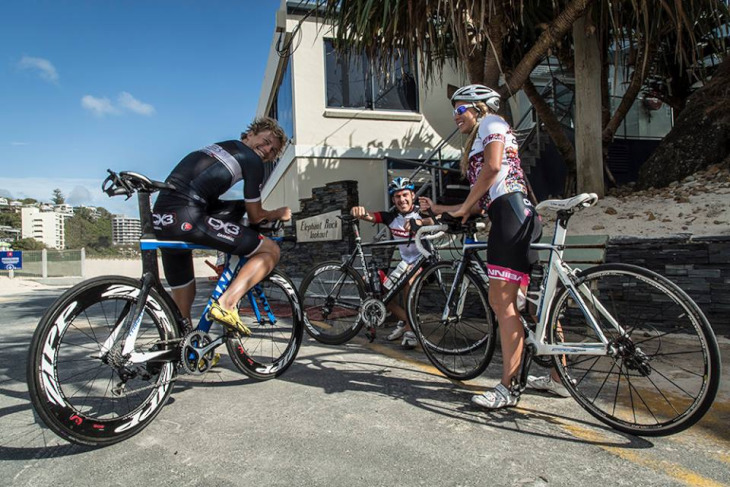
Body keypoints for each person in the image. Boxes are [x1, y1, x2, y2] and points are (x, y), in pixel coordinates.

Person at [419, 84, 542, 409]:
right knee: (526, 303)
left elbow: (493, 168)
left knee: (503, 304)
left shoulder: (491, 122)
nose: (455, 117)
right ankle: (556, 378)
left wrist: (463, 207)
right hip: (515, 213)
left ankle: (508, 387)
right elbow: (477, 198)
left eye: (460, 110)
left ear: (478, 107)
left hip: (510, 215)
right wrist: (442, 210)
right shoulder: (483, 134)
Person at [152, 117, 291, 335]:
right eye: (265, 141)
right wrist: (276, 213)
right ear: (248, 136)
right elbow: (255, 216)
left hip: (162, 219)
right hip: (187, 216)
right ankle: (227, 304)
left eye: (272, 150)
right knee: (270, 250)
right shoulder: (251, 159)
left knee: (183, 294)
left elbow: (234, 208)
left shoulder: (218, 150)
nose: (266, 150)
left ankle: (182, 346)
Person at [350, 177, 427, 349]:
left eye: (405, 195)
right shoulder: (391, 217)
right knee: (373, 287)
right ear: (393, 200)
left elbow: (439, 221)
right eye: (397, 196)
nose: (402, 200)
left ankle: (409, 330)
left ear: (413, 195)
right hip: (404, 265)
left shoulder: (422, 214)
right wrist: (358, 211)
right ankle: (407, 321)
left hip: (425, 266)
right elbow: (369, 216)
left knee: (409, 279)